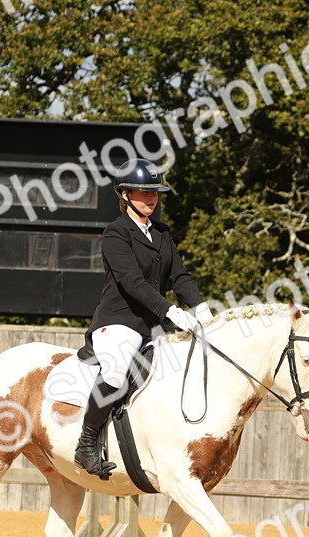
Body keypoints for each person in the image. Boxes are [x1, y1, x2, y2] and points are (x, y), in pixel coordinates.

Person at [73, 158, 213, 479]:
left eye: (155, 194)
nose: (151, 199)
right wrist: (171, 310)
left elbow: (180, 277)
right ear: (124, 194)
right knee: (117, 369)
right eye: (143, 193)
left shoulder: (162, 234)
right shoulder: (115, 234)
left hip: (156, 326)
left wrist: (201, 309)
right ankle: (87, 443)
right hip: (120, 322)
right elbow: (132, 282)